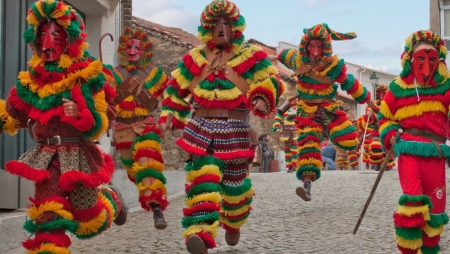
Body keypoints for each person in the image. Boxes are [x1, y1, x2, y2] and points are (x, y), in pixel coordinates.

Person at [158, 0, 286, 253]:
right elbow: (176, 89)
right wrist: (171, 112)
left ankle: (233, 222)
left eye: (225, 23)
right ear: (206, 27)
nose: (220, 28)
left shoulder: (251, 56)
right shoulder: (194, 58)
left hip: (236, 129)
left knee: (234, 189)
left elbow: (273, 81)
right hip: (200, 129)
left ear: (235, 27)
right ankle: (199, 232)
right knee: (201, 181)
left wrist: (262, 95)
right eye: (214, 23)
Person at [0, 1, 126, 252]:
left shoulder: (88, 73)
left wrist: (81, 112)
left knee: (89, 218)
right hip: (46, 159)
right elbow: (12, 112)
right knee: (47, 216)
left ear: (70, 38)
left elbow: (100, 123)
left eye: (55, 34)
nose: (47, 43)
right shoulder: (32, 79)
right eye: (42, 34)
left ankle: (111, 198)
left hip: (79, 156)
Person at [276, 23, 374, 201]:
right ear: (306, 45)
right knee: (308, 147)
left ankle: (340, 141)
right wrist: (255, 57)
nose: (315, 51)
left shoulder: (334, 66)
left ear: (325, 47)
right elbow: (277, 55)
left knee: (349, 140)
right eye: (312, 46)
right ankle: (307, 187)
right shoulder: (296, 60)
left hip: (329, 110)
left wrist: (369, 101)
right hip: (307, 113)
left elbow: (350, 84)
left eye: (319, 46)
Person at [378, 30, 450, 253]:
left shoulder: (446, 86)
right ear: (410, 60)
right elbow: (385, 116)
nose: (426, 65)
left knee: (435, 211)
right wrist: (391, 134)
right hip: (409, 151)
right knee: (412, 203)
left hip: (436, 153)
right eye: (421, 58)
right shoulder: (399, 87)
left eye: (431, 59)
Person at [108, 27, 169, 229]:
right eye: (129, 46)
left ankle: (157, 209)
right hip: (123, 128)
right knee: (134, 172)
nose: (133, 50)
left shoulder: (155, 74)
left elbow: (170, 95)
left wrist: (170, 115)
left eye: (137, 47)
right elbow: (104, 98)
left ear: (144, 51)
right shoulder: (113, 74)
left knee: (148, 164)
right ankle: (122, 200)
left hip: (146, 126)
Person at [273, 99, 298, 173]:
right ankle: (290, 166)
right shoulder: (283, 110)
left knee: (295, 149)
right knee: (287, 149)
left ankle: (295, 165)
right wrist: (277, 128)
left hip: (295, 131)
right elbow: (277, 119)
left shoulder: (298, 110)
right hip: (286, 132)